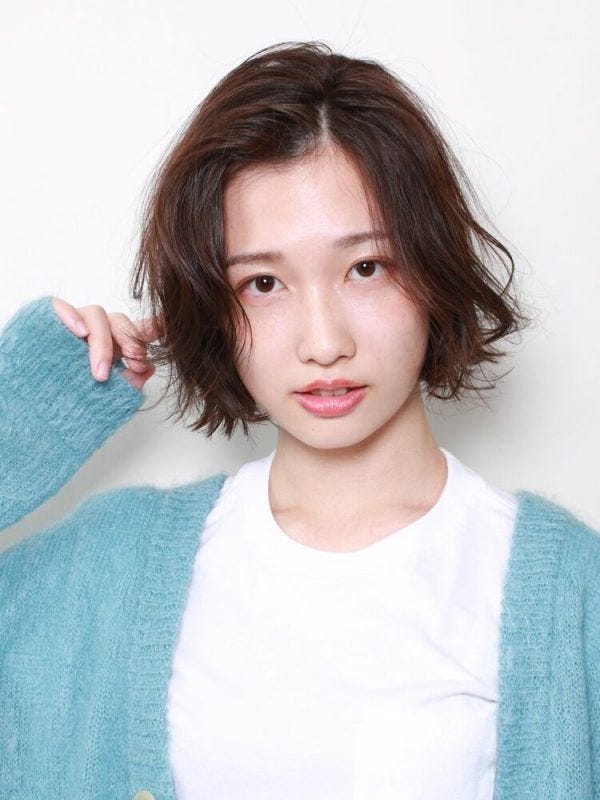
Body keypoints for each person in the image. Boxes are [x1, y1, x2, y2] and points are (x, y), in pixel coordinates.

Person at [1, 40, 599, 800]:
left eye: (366, 268)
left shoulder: (568, 592)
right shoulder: (108, 564)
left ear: (433, 268)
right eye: (263, 283)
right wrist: (28, 411)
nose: (323, 343)